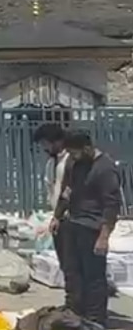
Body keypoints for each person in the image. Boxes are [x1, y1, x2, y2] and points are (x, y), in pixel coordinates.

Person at [53, 131, 121, 327]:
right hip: (73, 223)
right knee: (72, 271)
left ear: (88, 148)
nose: (73, 157)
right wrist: (57, 216)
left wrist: (104, 235)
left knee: (93, 276)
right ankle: (74, 310)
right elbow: (67, 190)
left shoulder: (105, 168)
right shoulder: (74, 164)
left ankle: (95, 318)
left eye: (75, 153)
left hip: (93, 228)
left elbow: (111, 205)